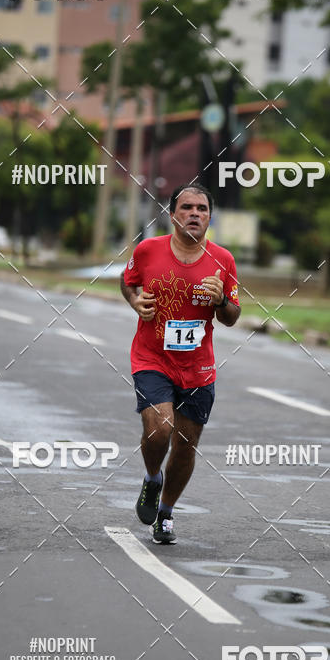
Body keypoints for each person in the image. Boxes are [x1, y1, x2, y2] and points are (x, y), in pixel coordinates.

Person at [121, 183, 241, 544]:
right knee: (160, 426)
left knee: (186, 444)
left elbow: (233, 316)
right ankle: (152, 478)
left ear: (209, 217)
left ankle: (166, 513)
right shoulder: (148, 250)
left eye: (202, 209)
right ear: (172, 214)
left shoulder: (223, 260)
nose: (194, 214)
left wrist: (221, 301)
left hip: (197, 367)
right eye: (187, 207)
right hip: (151, 356)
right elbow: (128, 282)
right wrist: (135, 301)